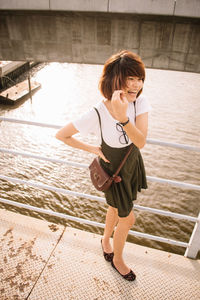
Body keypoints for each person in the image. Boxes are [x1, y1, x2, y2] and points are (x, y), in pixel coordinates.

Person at [55, 50, 151, 281]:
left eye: (139, 78)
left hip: (130, 164)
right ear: (116, 80)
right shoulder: (98, 111)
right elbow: (62, 135)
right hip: (113, 172)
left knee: (115, 209)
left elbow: (140, 141)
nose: (136, 84)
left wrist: (123, 117)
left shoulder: (140, 102)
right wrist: (92, 149)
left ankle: (106, 240)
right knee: (128, 219)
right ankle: (117, 259)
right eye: (131, 78)